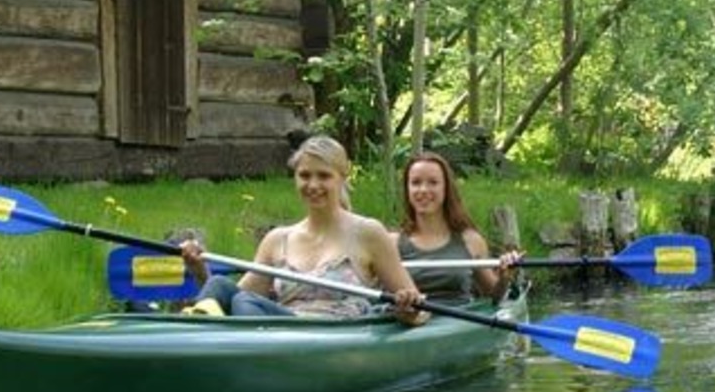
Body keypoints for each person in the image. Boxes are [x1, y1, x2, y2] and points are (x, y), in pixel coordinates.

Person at [181, 135, 426, 324]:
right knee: (220, 285)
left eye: (324, 176)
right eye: (305, 175)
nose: (313, 185)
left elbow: (419, 312)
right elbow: (229, 299)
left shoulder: (368, 233)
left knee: (245, 302)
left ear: (342, 177)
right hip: (279, 332)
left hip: (331, 339)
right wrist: (199, 270)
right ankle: (193, 335)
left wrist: (407, 309)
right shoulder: (277, 239)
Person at [394, 151, 520, 303]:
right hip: (408, 322)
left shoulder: (471, 240)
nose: (423, 190)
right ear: (407, 190)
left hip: (459, 321)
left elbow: (494, 295)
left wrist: (504, 277)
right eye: (416, 183)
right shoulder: (391, 243)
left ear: (446, 189)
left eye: (433, 183)